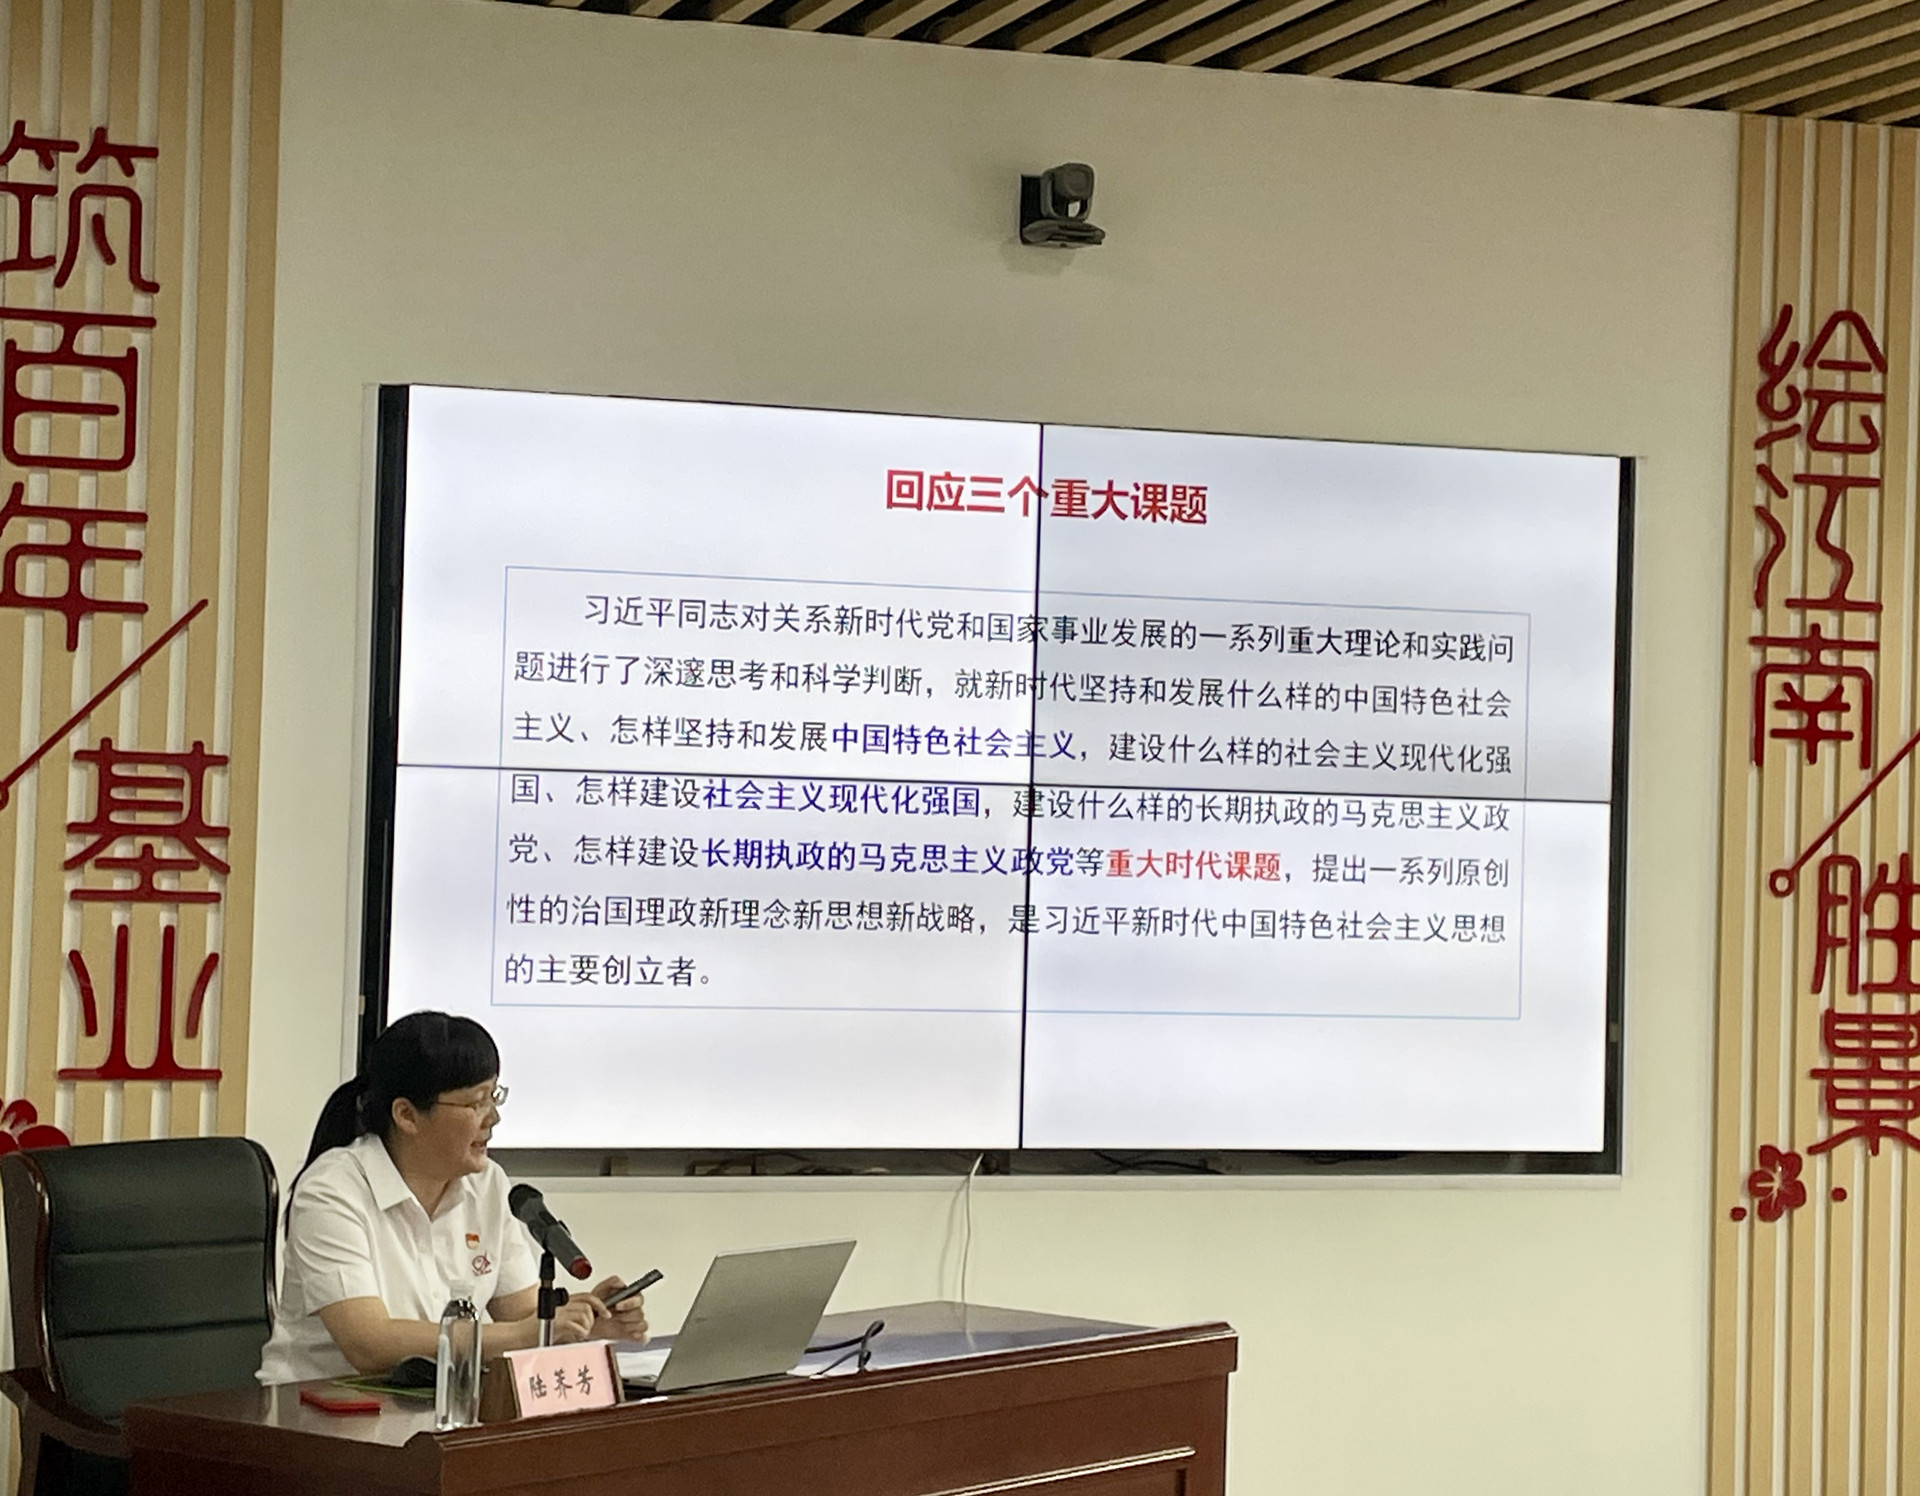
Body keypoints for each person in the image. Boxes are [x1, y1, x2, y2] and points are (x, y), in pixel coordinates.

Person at [257, 1011, 647, 1384]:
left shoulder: (487, 1185)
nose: (493, 1118)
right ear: (407, 1115)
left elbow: (522, 1314)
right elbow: (369, 1343)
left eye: (494, 1097)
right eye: (476, 1103)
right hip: (314, 1410)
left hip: (437, 1403)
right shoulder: (332, 1190)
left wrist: (583, 1322)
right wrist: (525, 1333)